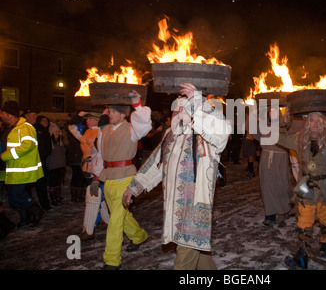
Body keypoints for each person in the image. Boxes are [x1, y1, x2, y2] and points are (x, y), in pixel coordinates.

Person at [124, 83, 231, 270]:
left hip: (195, 208)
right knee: (199, 254)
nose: (177, 113)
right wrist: (134, 187)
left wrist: (198, 104)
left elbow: (222, 132)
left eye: (183, 108)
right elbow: (155, 164)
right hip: (174, 208)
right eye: (175, 109)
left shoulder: (205, 135)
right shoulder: (170, 135)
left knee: (184, 261)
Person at [278, 106, 326, 269]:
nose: (315, 124)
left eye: (319, 120)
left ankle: (325, 243)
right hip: (307, 186)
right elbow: (279, 139)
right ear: (307, 123)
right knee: (304, 219)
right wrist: (285, 123)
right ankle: (302, 257)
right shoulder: (299, 138)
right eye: (312, 120)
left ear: (324, 123)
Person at [98, 91, 152, 270]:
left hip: (126, 179)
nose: (108, 113)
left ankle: (112, 260)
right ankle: (139, 236)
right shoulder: (104, 130)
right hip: (108, 178)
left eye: (112, 111)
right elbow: (101, 155)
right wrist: (97, 177)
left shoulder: (131, 129)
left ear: (122, 114)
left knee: (115, 221)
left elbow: (145, 124)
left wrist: (137, 103)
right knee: (122, 216)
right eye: (108, 111)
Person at [0, 101, 45, 227]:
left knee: (17, 194)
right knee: (13, 197)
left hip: (22, 168)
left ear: (10, 114)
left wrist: (4, 156)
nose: (1, 115)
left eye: (3, 113)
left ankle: (36, 211)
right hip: (12, 168)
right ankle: (27, 217)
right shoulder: (10, 128)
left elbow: (27, 145)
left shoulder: (25, 127)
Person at [68, 111, 110, 241]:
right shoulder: (86, 132)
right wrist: (80, 114)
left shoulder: (103, 132)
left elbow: (104, 154)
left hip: (99, 171)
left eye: (90, 118)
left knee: (93, 197)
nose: (87, 120)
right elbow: (72, 126)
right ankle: (109, 223)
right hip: (88, 170)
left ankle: (88, 230)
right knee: (98, 199)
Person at [250, 106, 293, 226]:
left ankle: (288, 207)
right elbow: (251, 129)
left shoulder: (284, 125)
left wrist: (286, 118)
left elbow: (285, 127)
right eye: (270, 111)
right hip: (266, 159)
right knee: (267, 186)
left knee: (283, 184)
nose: (272, 113)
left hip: (281, 158)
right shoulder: (262, 125)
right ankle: (270, 214)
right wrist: (254, 112)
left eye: (275, 111)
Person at [23, 110, 52, 211]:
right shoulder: (23, 128)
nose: (35, 117)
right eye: (32, 115)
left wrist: (43, 155)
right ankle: (29, 206)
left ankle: (45, 205)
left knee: (41, 184)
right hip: (26, 162)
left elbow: (48, 144)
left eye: (35, 115)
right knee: (26, 186)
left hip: (39, 161)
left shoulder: (41, 129)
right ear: (27, 116)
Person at [47, 123, 67, 206]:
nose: (57, 133)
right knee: (53, 184)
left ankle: (58, 197)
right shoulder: (49, 143)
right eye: (55, 132)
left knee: (58, 183)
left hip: (60, 165)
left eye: (57, 132)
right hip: (52, 166)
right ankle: (53, 198)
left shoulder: (61, 142)